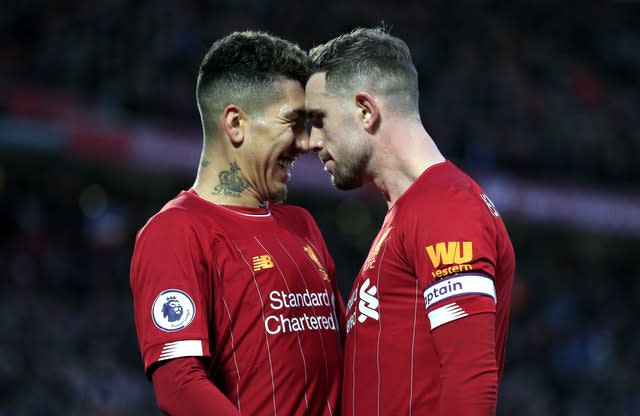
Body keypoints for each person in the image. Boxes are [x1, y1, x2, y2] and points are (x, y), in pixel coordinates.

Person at [130, 31, 345, 415]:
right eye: (293, 122)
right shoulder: (175, 232)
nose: (306, 142)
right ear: (235, 123)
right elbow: (178, 386)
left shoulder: (303, 225)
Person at [305, 27, 515, 415]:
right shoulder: (410, 213)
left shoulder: (446, 207)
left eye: (319, 120)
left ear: (366, 111)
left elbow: (470, 377)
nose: (311, 140)